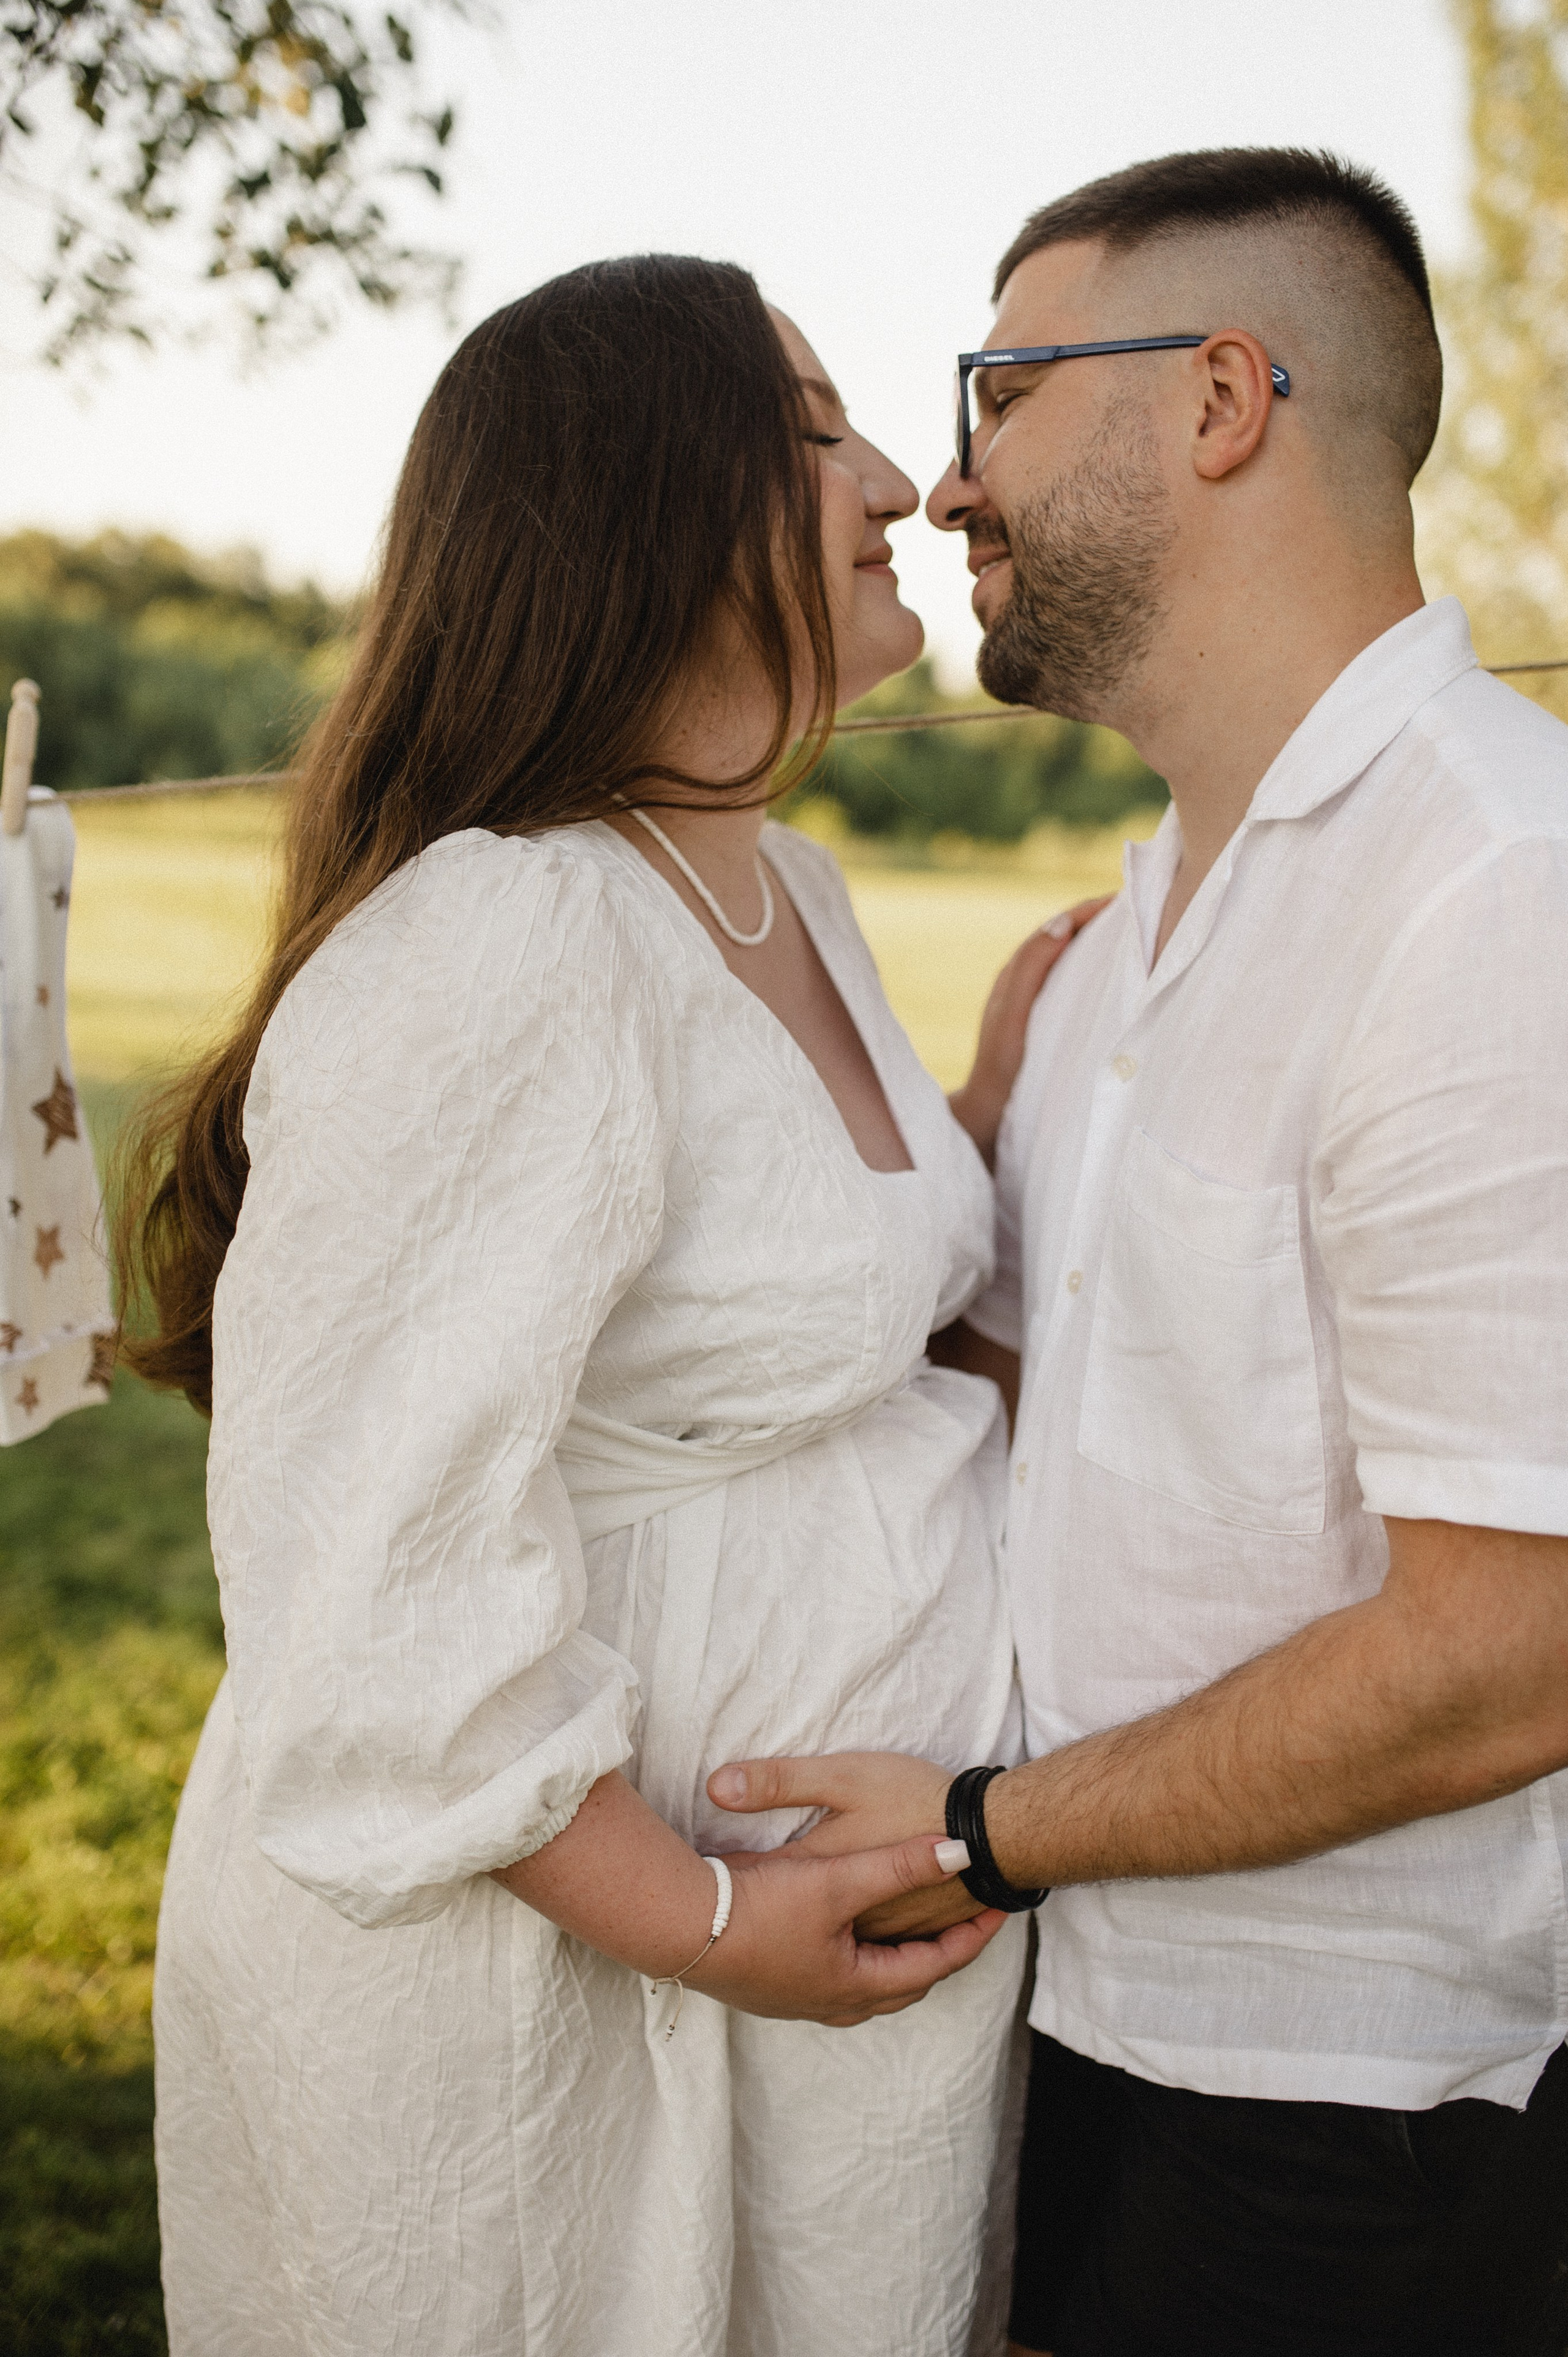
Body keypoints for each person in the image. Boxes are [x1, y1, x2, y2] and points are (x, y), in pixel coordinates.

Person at [121, 253, 1104, 2357]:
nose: (900, 486)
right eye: (820, 421)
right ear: (650, 494)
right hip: (568, 1965)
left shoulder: (785, 885)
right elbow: (374, 1559)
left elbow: (767, 1308)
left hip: (790, 1969)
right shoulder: (505, 935)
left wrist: (990, 1116)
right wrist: (715, 1917)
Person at [707, 150, 1568, 2356]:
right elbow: (1036, 1426)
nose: (948, 481)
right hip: (1077, 2028)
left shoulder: (1495, 900)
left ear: (1216, 401)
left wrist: (995, 1829)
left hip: (1356, 2120)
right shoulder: (1120, 937)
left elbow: (1518, 1646)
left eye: (997, 384)